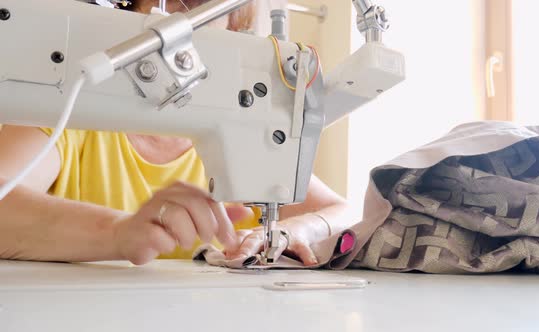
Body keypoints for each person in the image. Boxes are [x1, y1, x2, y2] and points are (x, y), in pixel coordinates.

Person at [0, 0, 353, 266]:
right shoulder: (66, 112)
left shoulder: (237, 137)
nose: (187, 67)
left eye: (211, 46)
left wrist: (296, 230)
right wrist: (119, 233)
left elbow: (341, 212)